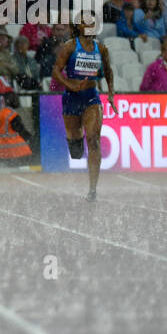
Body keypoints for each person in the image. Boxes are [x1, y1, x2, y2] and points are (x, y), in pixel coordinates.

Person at [53, 11, 116, 201]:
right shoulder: (70, 47)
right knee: (76, 150)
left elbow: (108, 71)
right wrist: (70, 84)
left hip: (91, 97)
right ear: (78, 26)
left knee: (94, 140)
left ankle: (93, 190)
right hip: (72, 98)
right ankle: (74, 140)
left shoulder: (101, 48)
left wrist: (111, 93)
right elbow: (56, 71)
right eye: (84, 22)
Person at [0, 92, 34, 164]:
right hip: (14, 151)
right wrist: (30, 137)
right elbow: (20, 130)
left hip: (0, 151)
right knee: (29, 154)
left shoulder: (1, 113)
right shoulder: (12, 114)